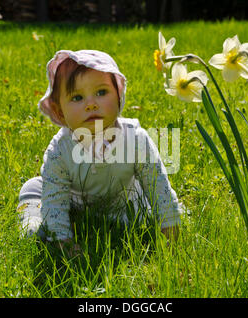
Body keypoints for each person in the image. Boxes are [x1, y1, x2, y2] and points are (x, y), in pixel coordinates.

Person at [17, 50, 181, 255]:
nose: (91, 104)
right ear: (60, 112)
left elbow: (157, 184)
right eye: (77, 97)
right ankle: (32, 213)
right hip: (73, 203)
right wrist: (63, 240)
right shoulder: (60, 150)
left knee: (149, 205)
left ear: (119, 96)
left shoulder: (135, 139)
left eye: (101, 93)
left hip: (123, 204)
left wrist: (170, 226)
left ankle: (164, 214)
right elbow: (56, 199)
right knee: (35, 188)